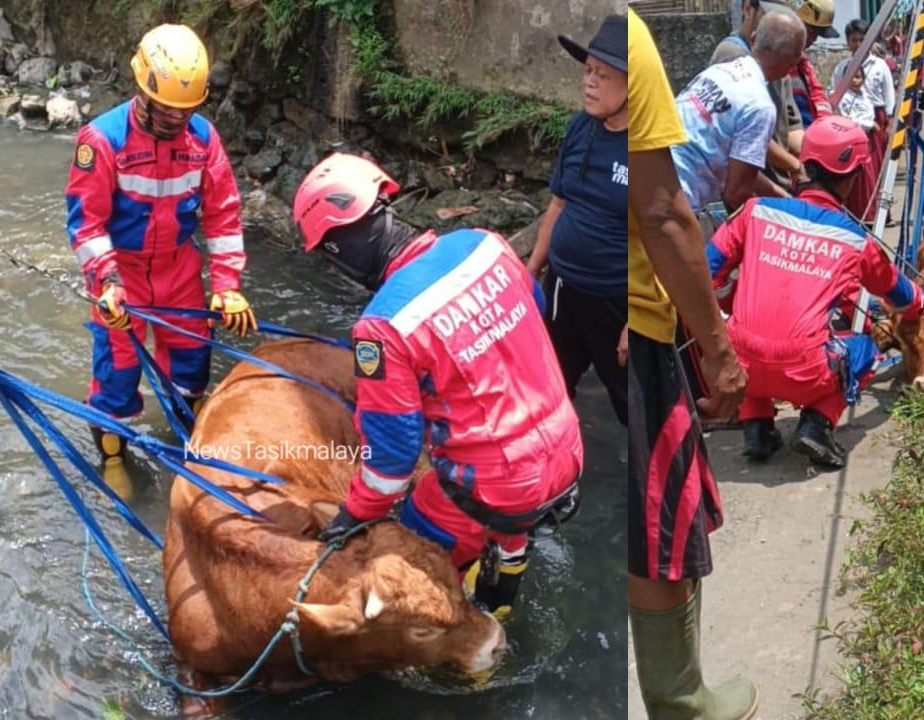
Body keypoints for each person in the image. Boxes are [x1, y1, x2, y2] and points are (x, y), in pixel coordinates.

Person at [300, 153, 582, 621]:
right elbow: (532, 312)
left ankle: (463, 652)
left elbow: (391, 463)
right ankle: (502, 591)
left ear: (336, 250)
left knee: (392, 565)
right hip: (566, 452)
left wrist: (353, 516)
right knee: (505, 520)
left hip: (496, 486)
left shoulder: (382, 327)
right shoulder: (485, 244)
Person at [626, 9, 756, 720]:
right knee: (659, 519)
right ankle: (680, 701)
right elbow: (664, 212)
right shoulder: (630, 40)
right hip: (642, 321)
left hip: (591, 310)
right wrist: (719, 351)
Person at [65, 24, 252, 499]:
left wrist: (228, 285)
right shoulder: (102, 140)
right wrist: (106, 281)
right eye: (166, 108)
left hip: (179, 272)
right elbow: (87, 223)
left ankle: (181, 447)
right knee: (117, 373)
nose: (175, 119)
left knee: (192, 366)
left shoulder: (203, 140)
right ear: (141, 89)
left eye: (185, 110)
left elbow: (223, 214)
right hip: (121, 275)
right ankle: (113, 461)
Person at [707, 116, 924, 468]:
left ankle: (757, 428)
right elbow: (898, 293)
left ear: (807, 163)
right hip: (807, 371)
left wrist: (732, 303)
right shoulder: (855, 239)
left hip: (739, 365)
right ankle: (817, 424)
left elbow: (707, 271)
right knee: (867, 348)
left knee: (746, 335)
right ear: (854, 177)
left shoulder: (756, 212)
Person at [526, 15, 628, 426]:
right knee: (549, 394)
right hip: (562, 290)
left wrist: (637, 319)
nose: (589, 82)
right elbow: (559, 205)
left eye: (603, 75)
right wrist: (531, 271)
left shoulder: (648, 150)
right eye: (588, 70)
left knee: (633, 409)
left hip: (616, 301)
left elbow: (660, 240)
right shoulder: (580, 127)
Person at [678, 10, 807, 220]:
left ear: (754, 38)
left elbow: (740, 167)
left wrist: (786, 201)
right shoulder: (759, 105)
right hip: (677, 199)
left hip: (647, 176)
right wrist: (786, 222)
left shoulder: (718, 72)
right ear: (793, 63)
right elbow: (736, 192)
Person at [711, 1, 807, 188]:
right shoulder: (733, 55)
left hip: (779, 180)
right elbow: (748, 136)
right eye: (770, 16)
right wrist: (795, 166)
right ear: (748, 9)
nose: (782, 29)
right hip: (752, 184)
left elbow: (793, 129)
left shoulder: (781, 59)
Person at [832, 19, 897, 222]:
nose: (858, 44)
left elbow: (889, 97)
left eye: (863, 40)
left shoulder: (880, 66)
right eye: (854, 40)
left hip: (876, 120)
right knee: (854, 167)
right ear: (848, 42)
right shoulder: (842, 67)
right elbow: (834, 93)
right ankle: (856, 211)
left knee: (876, 168)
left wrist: (889, 123)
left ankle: (880, 213)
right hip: (850, 120)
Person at [788, 0, 839, 127]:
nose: (813, 39)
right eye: (810, 32)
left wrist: (824, 123)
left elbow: (817, 92)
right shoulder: (776, 58)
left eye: (816, 35)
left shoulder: (803, 62)